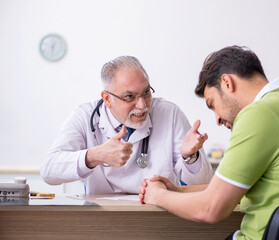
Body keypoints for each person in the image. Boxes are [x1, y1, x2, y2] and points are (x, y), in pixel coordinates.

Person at [138, 46, 279, 240]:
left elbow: (211, 209)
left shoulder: (260, 113)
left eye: (213, 104)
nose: (217, 119)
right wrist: (178, 190)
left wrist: (157, 195)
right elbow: (235, 188)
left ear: (227, 82)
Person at [40, 56, 213, 194]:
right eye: (129, 97)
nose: (142, 105)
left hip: (159, 215)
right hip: (103, 217)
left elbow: (203, 184)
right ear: (107, 99)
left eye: (146, 93)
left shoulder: (170, 113)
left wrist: (191, 157)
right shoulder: (84, 116)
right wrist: (96, 155)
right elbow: (49, 171)